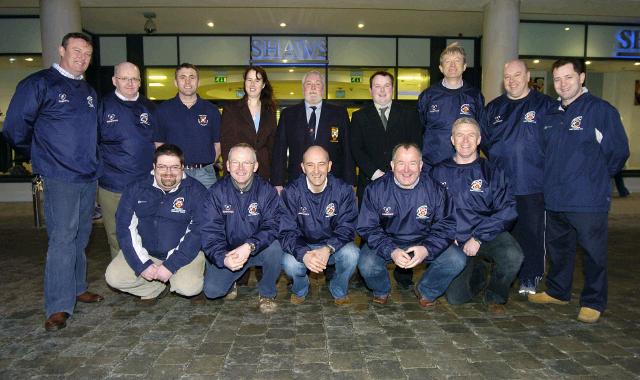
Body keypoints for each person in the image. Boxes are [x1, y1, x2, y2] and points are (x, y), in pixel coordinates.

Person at [3, 32, 103, 331]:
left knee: (82, 235)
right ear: (61, 50)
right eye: (76, 50)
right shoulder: (38, 83)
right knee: (62, 239)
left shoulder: (88, 90)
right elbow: (14, 128)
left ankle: (77, 287)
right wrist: (39, 155)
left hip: (88, 175)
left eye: (87, 53)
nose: (82, 57)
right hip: (60, 175)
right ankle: (58, 305)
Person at [529, 58, 629, 323]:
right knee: (559, 249)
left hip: (587, 200)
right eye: (558, 79)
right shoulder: (550, 114)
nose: (562, 84)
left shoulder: (600, 110)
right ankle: (558, 292)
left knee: (593, 253)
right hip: (555, 198)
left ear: (582, 78)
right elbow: (543, 153)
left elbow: (618, 152)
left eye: (568, 78)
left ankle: (594, 301)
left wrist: (593, 179)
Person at [357, 143, 466, 308]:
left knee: (457, 259)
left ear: (421, 166)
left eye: (412, 163)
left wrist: (427, 249)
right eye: (401, 163)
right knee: (366, 263)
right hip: (388, 241)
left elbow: (446, 226)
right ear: (392, 165)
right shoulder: (375, 189)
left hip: (424, 241)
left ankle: (426, 290)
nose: (406, 170)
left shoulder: (436, 190)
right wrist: (391, 250)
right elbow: (367, 227)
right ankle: (381, 290)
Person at [432, 118, 523, 315]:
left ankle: (495, 295)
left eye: (471, 135)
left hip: (486, 234)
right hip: (453, 240)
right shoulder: (438, 172)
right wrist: (447, 235)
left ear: (479, 139)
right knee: (456, 298)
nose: (465, 140)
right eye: (460, 135)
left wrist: (479, 237)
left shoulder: (492, 171)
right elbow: (431, 210)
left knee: (513, 255)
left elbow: (508, 209)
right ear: (452, 140)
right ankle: (479, 269)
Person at [482, 59, 555, 295]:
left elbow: (555, 144)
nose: (512, 81)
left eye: (517, 75)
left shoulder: (545, 105)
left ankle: (530, 277)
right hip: (501, 186)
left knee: (532, 233)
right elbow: (483, 140)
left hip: (532, 185)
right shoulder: (493, 108)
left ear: (527, 76)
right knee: (503, 233)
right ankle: (506, 275)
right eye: (507, 77)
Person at [105, 144, 207, 303]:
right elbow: (125, 229)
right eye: (162, 167)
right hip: (147, 253)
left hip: (183, 254)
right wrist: (142, 265)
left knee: (188, 288)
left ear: (182, 168)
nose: (168, 173)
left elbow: (197, 233)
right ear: (154, 167)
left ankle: (179, 278)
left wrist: (171, 266)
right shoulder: (136, 188)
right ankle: (157, 288)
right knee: (114, 277)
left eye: (174, 167)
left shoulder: (197, 192)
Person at [350, 70, 423, 288]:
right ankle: (366, 275)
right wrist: (376, 173)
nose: (382, 90)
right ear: (371, 90)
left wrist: (399, 173)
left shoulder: (409, 113)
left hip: (404, 181)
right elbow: (357, 149)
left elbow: (416, 144)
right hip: (370, 181)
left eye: (386, 86)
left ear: (392, 89)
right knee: (369, 227)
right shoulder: (359, 116)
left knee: (404, 225)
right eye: (378, 86)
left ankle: (404, 274)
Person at [201, 143, 282, 313]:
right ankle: (231, 281)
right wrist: (223, 259)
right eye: (235, 162)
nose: (240, 168)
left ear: (256, 166)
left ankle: (267, 293)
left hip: (257, 249)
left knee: (276, 248)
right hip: (229, 252)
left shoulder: (267, 191)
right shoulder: (215, 193)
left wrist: (250, 245)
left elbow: (272, 225)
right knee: (212, 291)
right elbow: (209, 233)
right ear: (228, 166)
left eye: (247, 163)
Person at [280, 146, 359, 305]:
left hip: (332, 245)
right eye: (310, 165)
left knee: (352, 254)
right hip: (303, 245)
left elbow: (347, 227)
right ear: (303, 167)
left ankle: (338, 288)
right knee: (289, 262)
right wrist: (305, 253)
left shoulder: (343, 191)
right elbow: (286, 232)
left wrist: (328, 248)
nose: (316, 170)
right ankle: (300, 288)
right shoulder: (290, 192)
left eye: (321, 164)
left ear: (329, 166)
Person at [98, 61, 157, 260]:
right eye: (125, 78)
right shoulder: (101, 106)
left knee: (146, 235)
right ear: (115, 80)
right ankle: (122, 281)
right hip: (112, 185)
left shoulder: (150, 107)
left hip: (145, 185)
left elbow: (159, 145)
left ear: (140, 82)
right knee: (116, 235)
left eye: (135, 79)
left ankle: (147, 280)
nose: (130, 83)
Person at [271, 70, 355, 191]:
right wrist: (278, 183)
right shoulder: (288, 115)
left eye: (317, 84)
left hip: (333, 182)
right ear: (303, 88)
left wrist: (350, 182)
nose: (313, 88)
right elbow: (279, 151)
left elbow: (347, 149)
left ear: (323, 88)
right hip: (297, 182)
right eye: (309, 84)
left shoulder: (339, 113)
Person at [418, 42, 485, 168]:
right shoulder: (428, 96)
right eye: (448, 61)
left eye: (457, 60)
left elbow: (481, 131)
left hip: (465, 166)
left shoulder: (475, 96)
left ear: (464, 66)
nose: (452, 65)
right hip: (432, 166)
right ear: (441, 68)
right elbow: (418, 130)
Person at [154, 63, 221, 188]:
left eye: (192, 77)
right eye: (182, 77)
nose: (187, 81)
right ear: (175, 82)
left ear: (198, 82)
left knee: (208, 208)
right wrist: (171, 167)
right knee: (174, 207)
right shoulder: (163, 110)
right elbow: (159, 145)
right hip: (175, 173)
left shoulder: (211, 110)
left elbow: (218, 145)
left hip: (205, 175)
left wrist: (207, 165)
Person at [220, 66, 277, 181]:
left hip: (263, 171)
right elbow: (226, 144)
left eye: (257, 80)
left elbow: (272, 144)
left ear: (263, 84)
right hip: (239, 170)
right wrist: (229, 171)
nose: (252, 84)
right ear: (244, 82)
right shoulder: (231, 109)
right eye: (249, 80)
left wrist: (274, 173)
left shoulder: (269, 111)